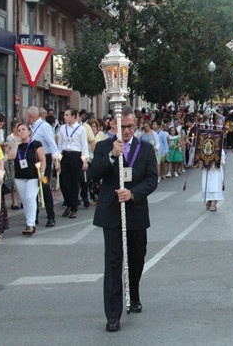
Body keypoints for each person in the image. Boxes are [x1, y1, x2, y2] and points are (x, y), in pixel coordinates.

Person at [89, 106, 158, 332]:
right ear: (112, 125)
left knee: (137, 258)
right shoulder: (103, 147)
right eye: (121, 127)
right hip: (111, 213)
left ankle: (134, 292)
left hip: (135, 212)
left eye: (129, 126)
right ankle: (112, 314)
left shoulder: (145, 149)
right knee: (113, 262)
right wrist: (111, 156)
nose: (126, 131)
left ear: (135, 126)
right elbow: (92, 175)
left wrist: (133, 193)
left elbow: (151, 179)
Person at [7, 123, 46, 236]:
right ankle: (29, 220)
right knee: (24, 200)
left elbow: (42, 159)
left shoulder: (35, 144)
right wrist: (16, 144)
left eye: (24, 129)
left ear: (29, 131)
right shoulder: (17, 144)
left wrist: (42, 173)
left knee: (30, 198)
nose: (21, 132)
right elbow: (10, 157)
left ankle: (31, 223)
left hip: (33, 175)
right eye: (19, 130)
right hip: (20, 176)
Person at [58, 108, 90, 219]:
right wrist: (57, 158)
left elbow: (84, 145)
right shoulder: (62, 128)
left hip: (76, 156)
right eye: (64, 115)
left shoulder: (81, 129)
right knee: (63, 182)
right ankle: (68, 202)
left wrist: (85, 160)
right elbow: (60, 144)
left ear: (73, 116)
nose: (64, 117)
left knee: (74, 183)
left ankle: (74, 207)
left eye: (67, 115)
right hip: (65, 155)